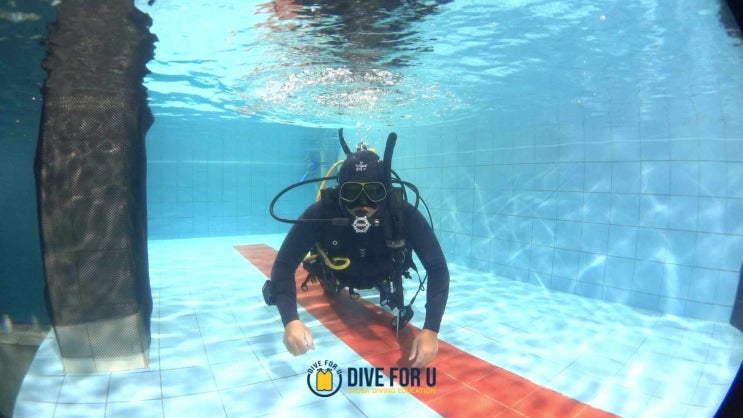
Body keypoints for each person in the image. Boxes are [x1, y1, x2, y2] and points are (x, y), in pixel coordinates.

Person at [267, 130, 449, 368]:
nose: (362, 204)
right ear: (339, 192)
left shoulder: (401, 213)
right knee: (326, 282)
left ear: (385, 192)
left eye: (374, 193)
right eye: (351, 193)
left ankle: (384, 287)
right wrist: (290, 320)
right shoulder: (322, 212)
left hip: (385, 272)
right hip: (337, 273)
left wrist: (431, 329)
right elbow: (284, 265)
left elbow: (437, 268)